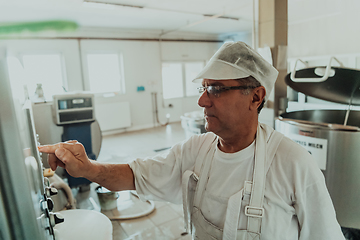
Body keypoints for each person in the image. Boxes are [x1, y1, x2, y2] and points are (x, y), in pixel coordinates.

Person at [38, 41, 345, 240]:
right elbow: (136, 174)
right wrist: (89, 168)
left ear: (256, 96)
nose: (202, 102)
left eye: (216, 90)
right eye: (203, 88)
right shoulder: (197, 149)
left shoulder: (293, 163)